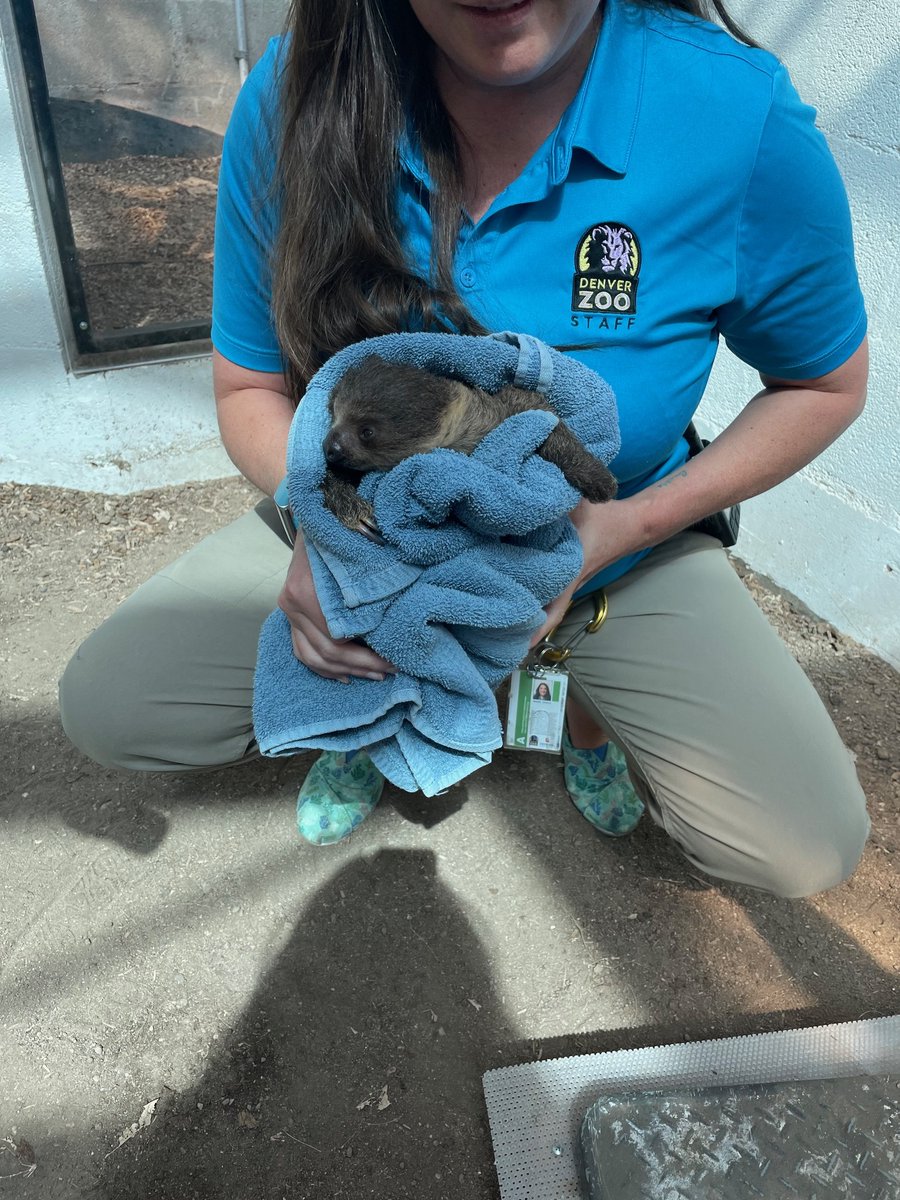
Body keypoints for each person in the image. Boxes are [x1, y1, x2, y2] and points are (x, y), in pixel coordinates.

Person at [60, 0, 870, 893]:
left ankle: (581, 712)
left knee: (803, 845)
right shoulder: (298, 91)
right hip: (370, 530)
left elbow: (824, 386)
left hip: (609, 535)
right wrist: (322, 535)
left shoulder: (733, 113)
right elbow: (250, 387)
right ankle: (365, 723)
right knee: (115, 701)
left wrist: (623, 531)